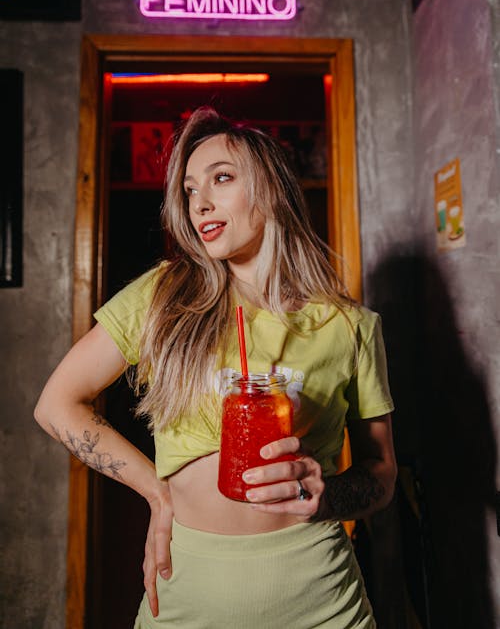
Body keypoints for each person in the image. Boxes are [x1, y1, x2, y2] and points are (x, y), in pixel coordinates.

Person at [34, 106, 397, 628]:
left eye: (221, 179)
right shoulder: (164, 297)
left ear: (271, 189)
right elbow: (56, 405)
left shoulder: (351, 327)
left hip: (321, 597)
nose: (199, 203)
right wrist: (155, 492)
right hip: (187, 595)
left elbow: (380, 474)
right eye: (188, 190)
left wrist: (329, 493)